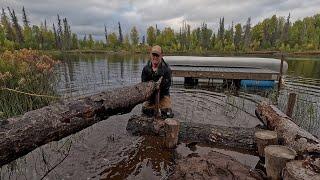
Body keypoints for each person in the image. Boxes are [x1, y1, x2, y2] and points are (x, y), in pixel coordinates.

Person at [141, 45, 174, 118]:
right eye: (153, 55)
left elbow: (167, 86)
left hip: (163, 95)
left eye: (157, 55)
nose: (155, 57)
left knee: (167, 114)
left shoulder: (167, 70)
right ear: (150, 55)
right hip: (150, 96)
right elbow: (143, 84)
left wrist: (158, 87)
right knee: (145, 111)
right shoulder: (146, 69)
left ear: (161, 55)